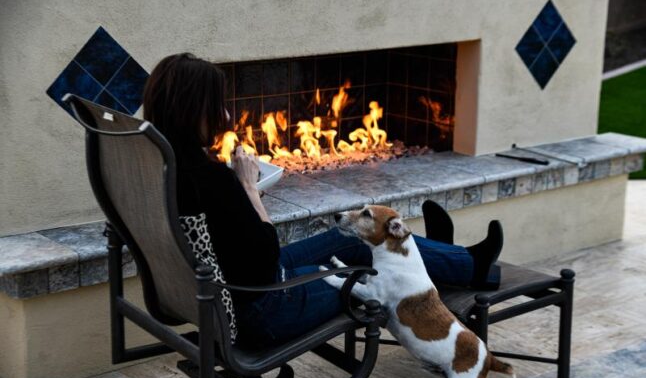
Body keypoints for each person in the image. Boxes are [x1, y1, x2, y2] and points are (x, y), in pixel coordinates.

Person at [142, 53, 503, 347]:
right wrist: (249, 189)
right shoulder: (212, 179)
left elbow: (233, 238)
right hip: (264, 307)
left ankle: (460, 260)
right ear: (196, 112)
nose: (226, 115)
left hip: (228, 288)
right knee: (369, 266)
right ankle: (466, 262)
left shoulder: (162, 163)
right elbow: (267, 257)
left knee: (352, 238)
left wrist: (240, 194)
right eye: (217, 106)